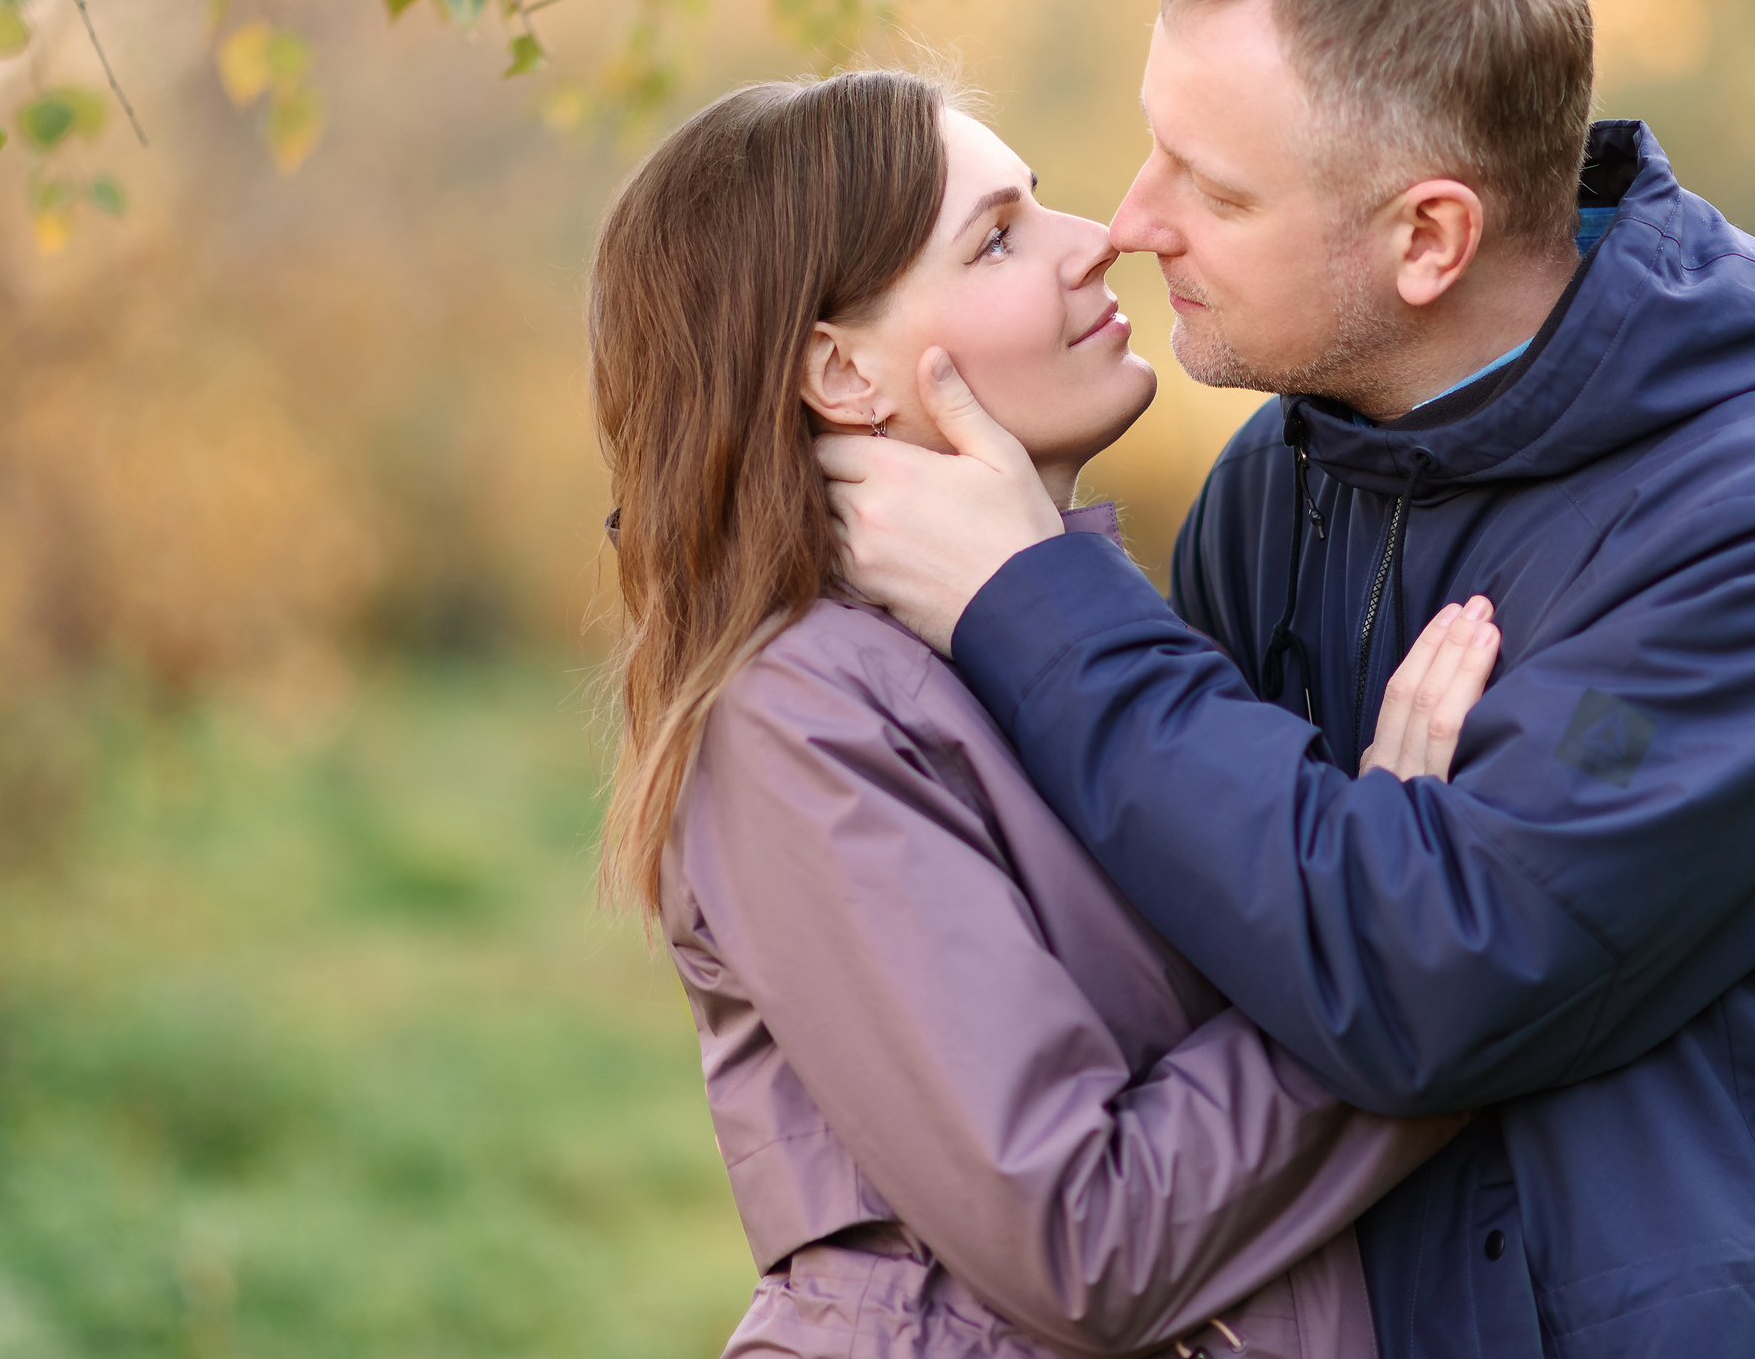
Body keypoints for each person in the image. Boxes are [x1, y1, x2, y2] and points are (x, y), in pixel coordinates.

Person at [819, 0, 1755, 1356]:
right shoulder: (1278, 485)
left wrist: (1028, 601)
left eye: (1216, 188)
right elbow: (1201, 957)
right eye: (1154, 149)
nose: (1132, 222)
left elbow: (1429, 984)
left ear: (1429, 239)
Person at [587, 68, 1495, 1359]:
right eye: (1000, 238)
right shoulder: (798, 710)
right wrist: (1400, 940)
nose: (1101, 239)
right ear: (841, 369)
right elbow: (1083, 1237)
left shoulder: (1073, 645)